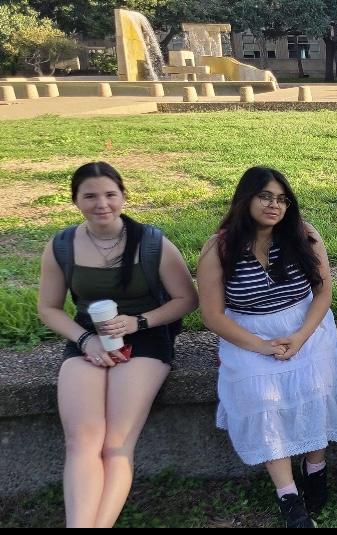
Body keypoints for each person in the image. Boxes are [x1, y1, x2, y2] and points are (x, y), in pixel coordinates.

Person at [37, 162, 198, 528]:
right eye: (90, 196)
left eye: (110, 194)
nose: (101, 204)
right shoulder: (62, 246)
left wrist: (138, 321)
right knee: (82, 442)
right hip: (88, 340)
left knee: (115, 443)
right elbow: (48, 308)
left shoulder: (153, 242)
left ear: (123, 196)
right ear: (75, 200)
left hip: (146, 337)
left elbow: (186, 299)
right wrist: (85, 339)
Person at [197, 167, 337, 527]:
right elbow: (212, 315)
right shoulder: (219, 248)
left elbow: (323, 293)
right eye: (265, 197)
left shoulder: (304, 236)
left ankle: (315, 468)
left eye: (282, 199)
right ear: (245, 199)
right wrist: (264, 347)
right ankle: (288, 497)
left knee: (318, 384)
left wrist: (300, 336)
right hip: (248, 333)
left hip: (306, 325)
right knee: (262, 398)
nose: (275, 205)